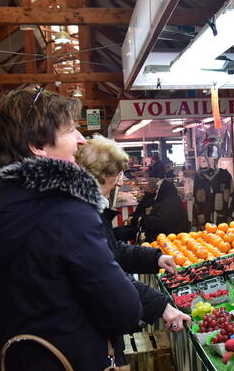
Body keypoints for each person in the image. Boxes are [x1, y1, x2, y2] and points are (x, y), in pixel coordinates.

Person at [0, 89, 142, 370]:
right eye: (70, 130)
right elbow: (123, 310)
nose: (81, 139)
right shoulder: (67, 213)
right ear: (38, 145)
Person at [75, 136, 191, 365]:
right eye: (117, 175)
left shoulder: (88, 208)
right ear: (101, 175)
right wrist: (161, 306)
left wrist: (156, 257)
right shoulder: (82, 215)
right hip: (88, 335)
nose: (120, 182)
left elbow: (112, 251)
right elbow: (105, 276)